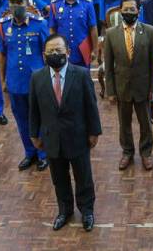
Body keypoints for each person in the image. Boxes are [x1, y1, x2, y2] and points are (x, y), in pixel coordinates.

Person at [29, 34, 102, 232]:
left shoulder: (81, 74)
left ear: (68, 53)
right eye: (51, 51)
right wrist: (34, 135)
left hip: (78, 137)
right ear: (44, 55)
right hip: (52, 139)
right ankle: (65, 210)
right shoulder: (37, 77)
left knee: (83, 177)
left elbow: (91, 106)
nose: (55, 54)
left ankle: (87, 210)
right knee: (59, 179)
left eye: (59, 51)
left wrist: (94, 132)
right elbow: (34, 110)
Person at [103, 0, 153, 171]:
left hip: (143, 88)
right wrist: (110, 91)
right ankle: (127, 152)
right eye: (125, 9)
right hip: (122, 88)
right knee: (124, 123)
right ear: (120, 11)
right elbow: (109, 66)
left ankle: (146, 153)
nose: (128, 12)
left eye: (132, 9)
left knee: (145, 123)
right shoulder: (111, 34)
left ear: (138, 11)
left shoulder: (150, 31)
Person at [0, 0, 49, 171]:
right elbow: (2, 54)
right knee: (21, 119)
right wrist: (3, 80)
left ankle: (43, 153)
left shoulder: (39, 24)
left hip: (36, 82)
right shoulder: (4, 26)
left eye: (19, 2)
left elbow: (47, 52)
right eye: (12, 3)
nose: (15, 6)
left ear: (27, 3)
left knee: (39, 117)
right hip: (15, 82)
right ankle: (30, 153)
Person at [48, 0, 98, 67]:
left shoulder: (87, 4)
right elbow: (52, 29)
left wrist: (95, 49)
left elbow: (93, 28)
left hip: (83, 51)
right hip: (62, 51)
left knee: (83, 80)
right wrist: (53, 48)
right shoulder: (55, 5)